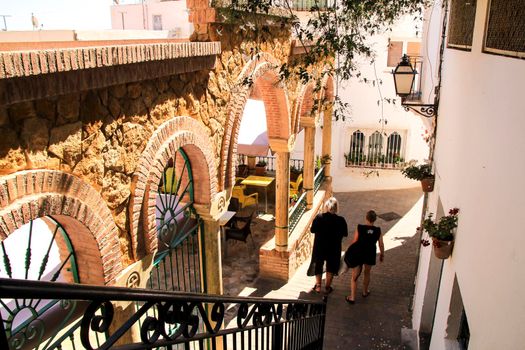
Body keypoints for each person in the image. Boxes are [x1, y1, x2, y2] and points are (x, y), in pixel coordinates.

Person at [308, 197, 348, 294]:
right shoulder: (341, 220)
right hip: (334, 248)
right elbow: (345, 233)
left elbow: (312, 230)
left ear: (326, 207)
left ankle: (318, 286)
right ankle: (327, 286)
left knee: (319, 264)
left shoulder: (319, 217)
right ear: (336, 207)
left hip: (320, 246)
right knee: (331, 266)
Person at [344, 210, 384, 304]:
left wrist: (349, 250)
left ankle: (352, 297)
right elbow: (381, 244)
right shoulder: (378, 230)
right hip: (370, 253)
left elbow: (355, 241)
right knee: (367, 273)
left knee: (355, 276)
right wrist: (382, 254)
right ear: (375, 219)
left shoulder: (360, 227)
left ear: (366, 218)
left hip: (358, 252)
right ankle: (365, 292)